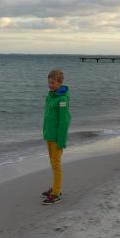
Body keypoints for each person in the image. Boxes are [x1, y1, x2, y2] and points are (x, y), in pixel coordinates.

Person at [41, 69, 71, 205]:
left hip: (57, 138)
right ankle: (55, 187)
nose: (50, 85)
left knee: (56, 164)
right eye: (49, 82)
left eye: (53, 83)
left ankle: (57, 193)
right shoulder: (50, 96)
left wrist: (61, 141)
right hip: (49, 135)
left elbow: (64, 121)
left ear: (60, 83)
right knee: (53, 163)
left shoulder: (62, 99)